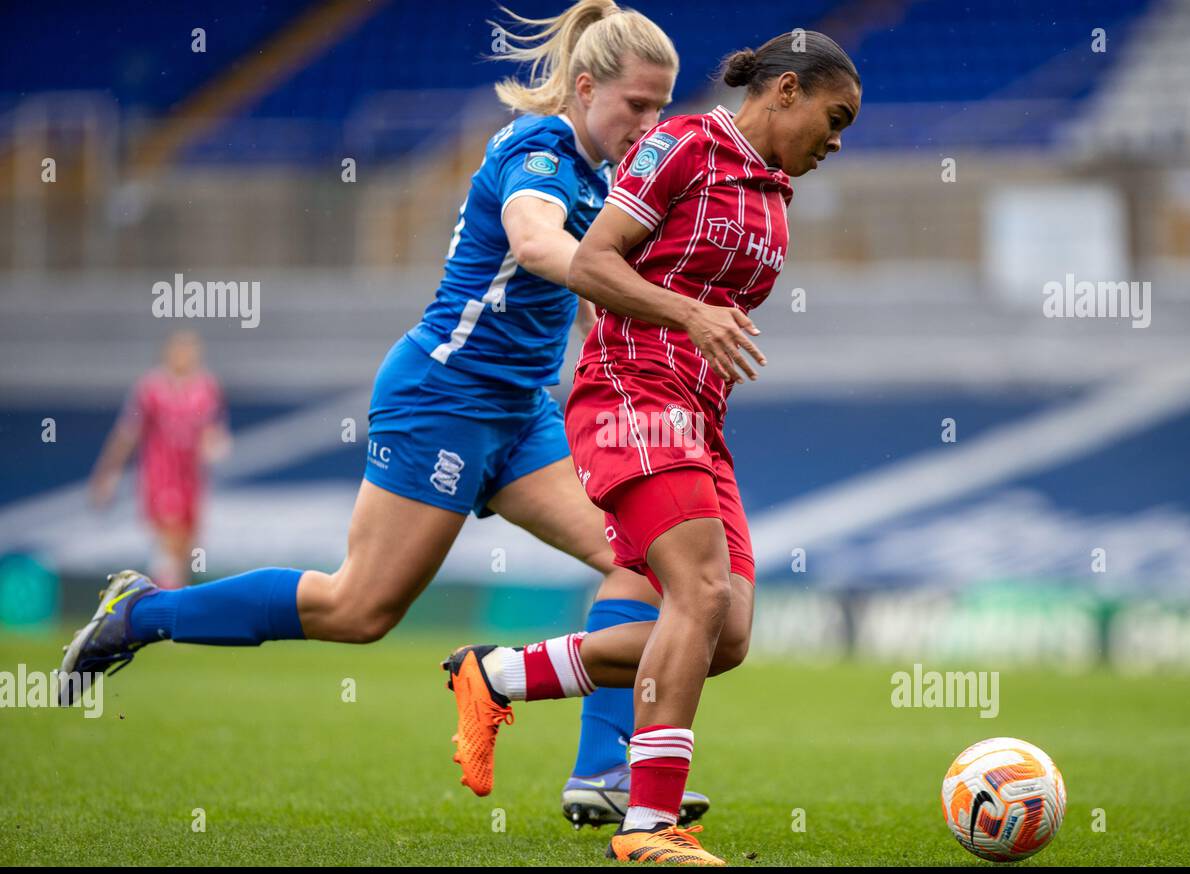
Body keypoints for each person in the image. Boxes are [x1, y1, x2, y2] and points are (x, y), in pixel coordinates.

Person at [59, 0, 711, 828]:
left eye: (662, 108)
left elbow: (578, 296)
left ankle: (603, 772)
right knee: (358, 609)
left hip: (520, 412)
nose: (651, 124)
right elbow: (543, 247)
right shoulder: (538, 152)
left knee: (647, 560)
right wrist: (670, 307)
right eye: (638, 106)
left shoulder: (605, 174)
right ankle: (140, 615)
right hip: (442, 397)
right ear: (585, 89)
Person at [442, 30, 861, 865]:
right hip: (631, 388)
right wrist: (688, 315)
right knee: (699, 593)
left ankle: (498, 677)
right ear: (784, 90)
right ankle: (646, 828)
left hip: (698, 416)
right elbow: (592, 260)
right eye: (834, 114)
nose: (838, 137)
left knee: (727, 632)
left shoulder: (773, 191)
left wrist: (700, 326)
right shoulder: (683, 144)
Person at [89, 330, 230, 589]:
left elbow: (213, 430)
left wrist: (216, 445)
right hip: (161, 477)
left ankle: (168, 602)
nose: (186, 357)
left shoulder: (207, 388)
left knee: (187, 548)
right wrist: (108, 474)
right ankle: (164, 607)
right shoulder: (150, 389)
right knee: (171, 540)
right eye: (180, 350)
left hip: (192, 480)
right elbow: (127, 434)